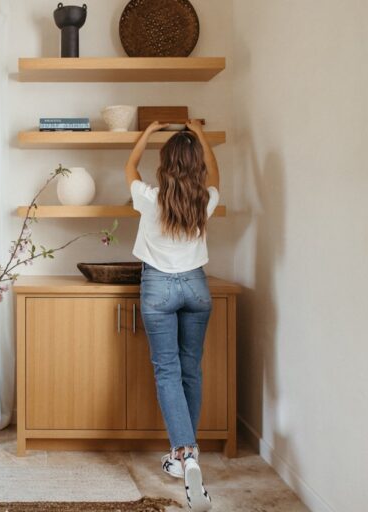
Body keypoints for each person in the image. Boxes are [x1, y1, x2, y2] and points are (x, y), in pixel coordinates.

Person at [124, 119, 220, 512]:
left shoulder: (151, 196)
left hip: (159, 288)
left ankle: (185, 455)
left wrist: (147, 133)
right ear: (195, 162)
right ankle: (187, 455)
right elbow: (215, 174)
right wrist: (198, 132)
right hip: (196, 288)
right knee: (189, 370)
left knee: (166, 371)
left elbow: (130, 167)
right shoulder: (205, 199)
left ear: (165, 164)